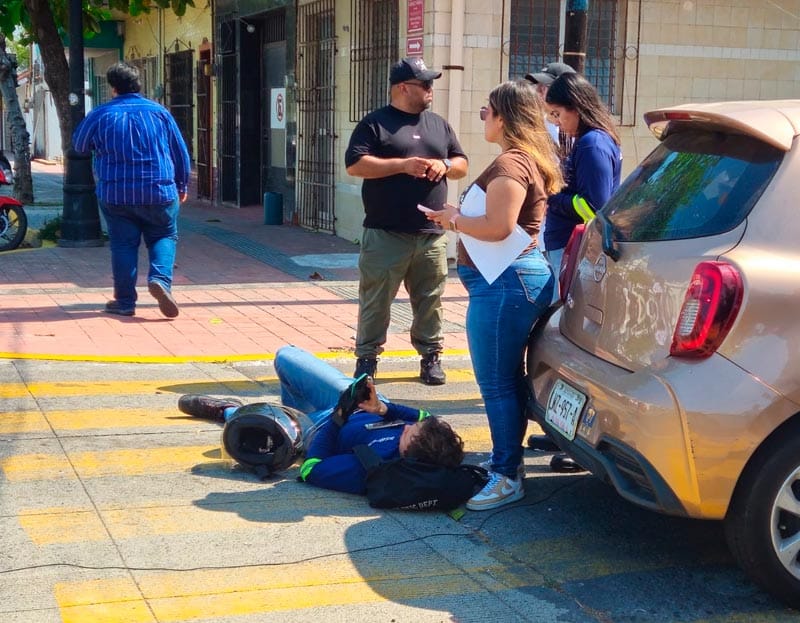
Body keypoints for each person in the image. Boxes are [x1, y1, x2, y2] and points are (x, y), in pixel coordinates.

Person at [424, 81, 563, 510]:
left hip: (505, 284)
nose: (482, 117)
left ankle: (506, 475)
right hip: (508, 282)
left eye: (487, 111)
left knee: (497, 384)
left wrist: (453, 220)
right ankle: (507, 463)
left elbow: (499, 226)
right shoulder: (523, 160)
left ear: (504, 116)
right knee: (506, 381)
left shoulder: (511, 164)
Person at [178, 345, 465, 495]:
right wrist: (383, 410)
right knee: (286, 356)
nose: (411, 424)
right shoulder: (423, 433)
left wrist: (338, 419)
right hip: (357, 402)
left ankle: (230, 410)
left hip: (320, 428)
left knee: (264, 426)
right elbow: (427, 417)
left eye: (412, 430)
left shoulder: (372, 465)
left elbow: (311, 470)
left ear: (408, 450)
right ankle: (288, 412)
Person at [345, 57, 469, 385]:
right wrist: (401, 165)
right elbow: (355, 165)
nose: (431, 90)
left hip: (430, 233)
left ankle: (430, 358)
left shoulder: (438, 125)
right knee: (376, 300)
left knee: (431, 300)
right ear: (403, 88)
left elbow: (462, 162)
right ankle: (367, 361)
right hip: (386, 233)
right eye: (425, 85)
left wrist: (445, 165)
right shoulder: (375, 124)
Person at [73, 61, 191, 319]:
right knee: (164, 235)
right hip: (159, 189)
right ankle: (160, 279)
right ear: (138, 85)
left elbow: (79, 145)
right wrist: (182, 184)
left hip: (117, 193)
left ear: (112, 87)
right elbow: (179, 151)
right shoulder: (159, 112)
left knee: (123, 244)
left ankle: (125, 302)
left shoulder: (101, 114)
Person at [542, 72, 622, 288]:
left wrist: (551, 197)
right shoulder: (590, 140)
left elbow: (594, 207)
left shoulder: (592, 144)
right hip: (570, 244)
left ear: (576, 107)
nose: (557, 123)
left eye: (558, 114)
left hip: (575, 246)